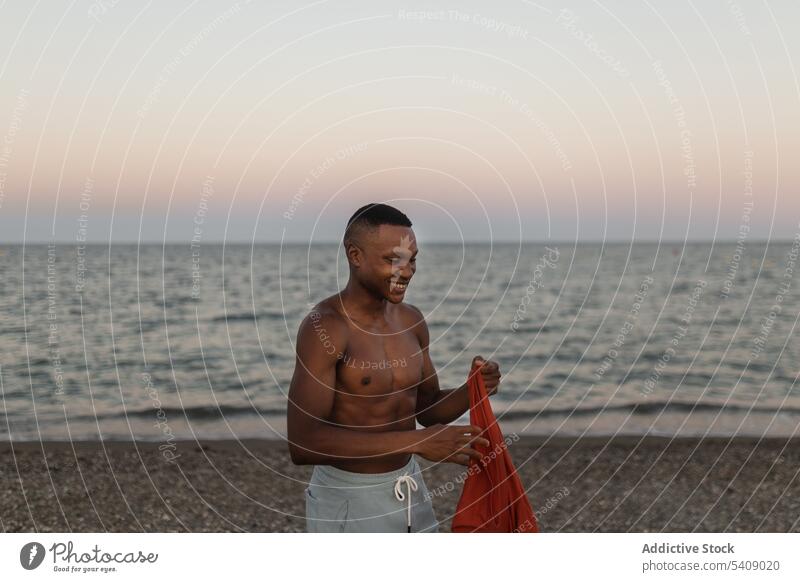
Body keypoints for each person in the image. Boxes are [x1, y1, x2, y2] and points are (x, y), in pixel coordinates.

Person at [287, 202, 502, 532]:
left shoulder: (412, 321)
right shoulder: (326, 328)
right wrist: (417, 442)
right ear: (355, 255)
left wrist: (473, 389)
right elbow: (303, 443)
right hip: (349, 496)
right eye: (392, 259)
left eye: (412, 259)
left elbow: (427, 410)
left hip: (410, 487)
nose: (406, 270)